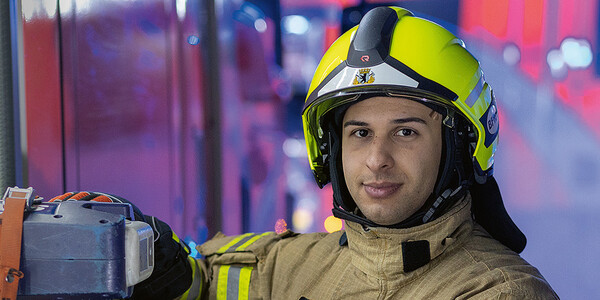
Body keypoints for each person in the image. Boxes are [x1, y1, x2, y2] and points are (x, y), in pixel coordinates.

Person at [54, 6, 558, 299]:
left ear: (461, 145)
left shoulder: (498, 292)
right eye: (358, 133)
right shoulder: (293, 265)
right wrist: (158, 263)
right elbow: (205, 281)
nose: (377, 159)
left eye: (405, 133)